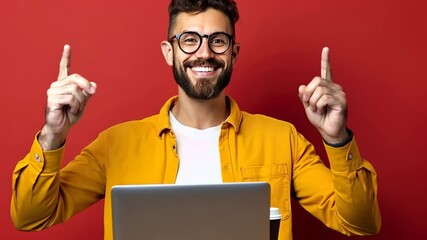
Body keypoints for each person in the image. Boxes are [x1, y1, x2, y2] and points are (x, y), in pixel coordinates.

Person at [11, 0, 381, 239]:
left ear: (233, 53)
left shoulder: (282, 139)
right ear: (168, 52)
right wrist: (52, 134)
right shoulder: (115, 145)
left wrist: (337, 139)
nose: (204, 53)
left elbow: (360, 223)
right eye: (189, 40)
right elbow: (30, 216)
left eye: (218, 41)